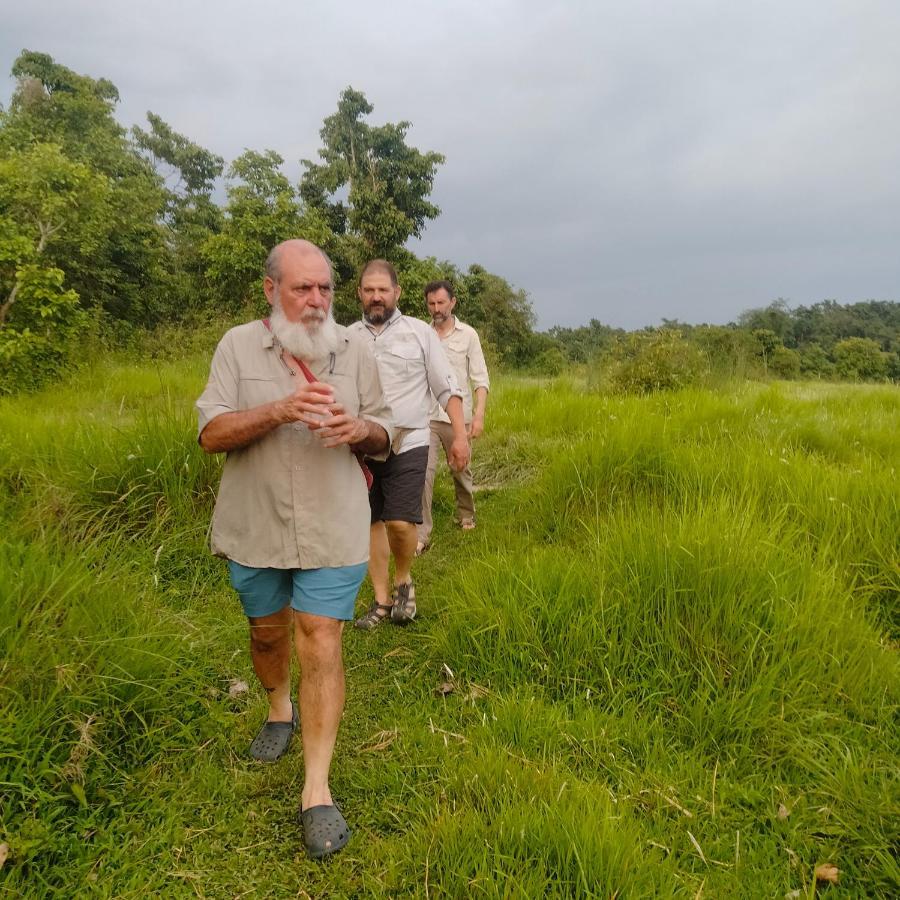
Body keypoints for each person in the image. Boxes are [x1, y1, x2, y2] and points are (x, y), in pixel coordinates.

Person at [196, 239, 393, 859]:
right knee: (266, 632)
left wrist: (360, 429)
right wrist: (280, 409)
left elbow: (388, 433)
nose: (315, 301)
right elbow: (210, 433)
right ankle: (278, 706)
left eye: (325, 289)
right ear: (270, 290)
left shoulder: (354, 348)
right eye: (302, 288)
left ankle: (316, 788)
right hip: (255, 525)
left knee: (321, 635)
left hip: (334, 523)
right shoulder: (236, 345)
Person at [348, 260, 469, 630]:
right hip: (362, 445)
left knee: (400, 522)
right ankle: (382, 601)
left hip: (411, 439)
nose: (376, 296)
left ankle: (404, 579)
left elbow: (447, 386)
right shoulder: (347, 337)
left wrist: (460, 435)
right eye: (369, 290)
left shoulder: (419, 333)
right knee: (371, 522)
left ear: (397, 293)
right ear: (360, 294)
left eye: (383, 289)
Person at [416, 280, 490, 555]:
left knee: (461, 469)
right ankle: (422, 533)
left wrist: (479, 416)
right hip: (427, 416)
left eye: (441, 303)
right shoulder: (422, 334)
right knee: (423, 472)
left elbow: (480, 378)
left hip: (458, 417)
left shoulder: (468, 335)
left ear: (453, 302)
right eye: (431, 304)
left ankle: (466, 513)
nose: (436, 309)